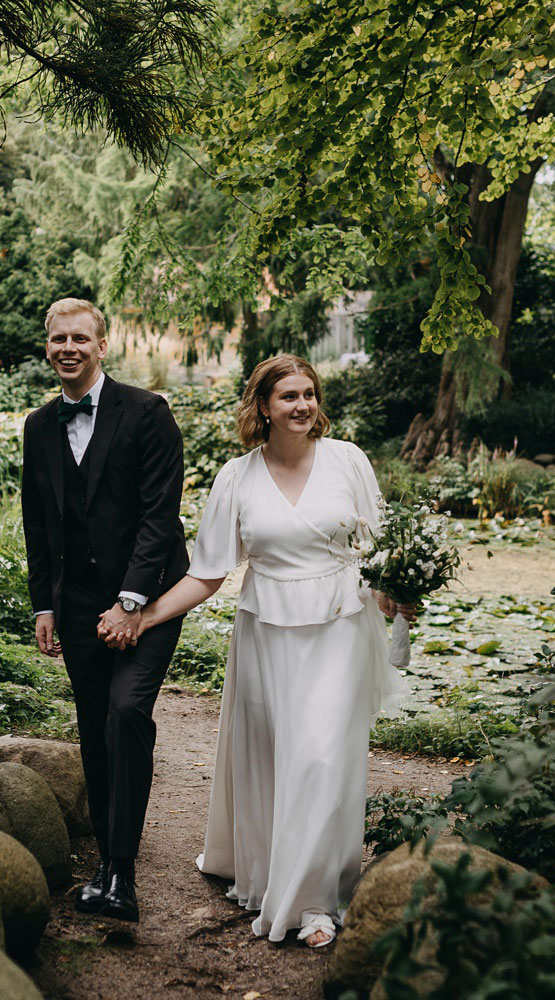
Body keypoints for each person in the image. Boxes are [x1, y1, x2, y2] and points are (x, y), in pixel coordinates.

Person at [108, 354, 409, 948]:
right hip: (267, 632)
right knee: (278, 760)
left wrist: (399, 595)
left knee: (324, 760)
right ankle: (272, 872)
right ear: (263, 407)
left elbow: (380, 553)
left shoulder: (349, 461)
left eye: (309, 394)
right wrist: (142, 616)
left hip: (339, 627)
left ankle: (317, 901)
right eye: (288, 397)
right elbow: (207, 573)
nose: (302, 406)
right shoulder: (237, 477)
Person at [21, 298, 189, 923]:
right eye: (58, 338)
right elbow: (38, 524)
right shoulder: (39, 427)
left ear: (102, 345)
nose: (69, 348)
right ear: (47, 347)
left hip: (149, 599)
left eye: (80, 338)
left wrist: (131, 603)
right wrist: (44, 604)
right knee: (93, 724)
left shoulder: (148, 413)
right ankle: (109, 862)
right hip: (76, 607)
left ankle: (122, 873)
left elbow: (158, 516)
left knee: (125, 712)